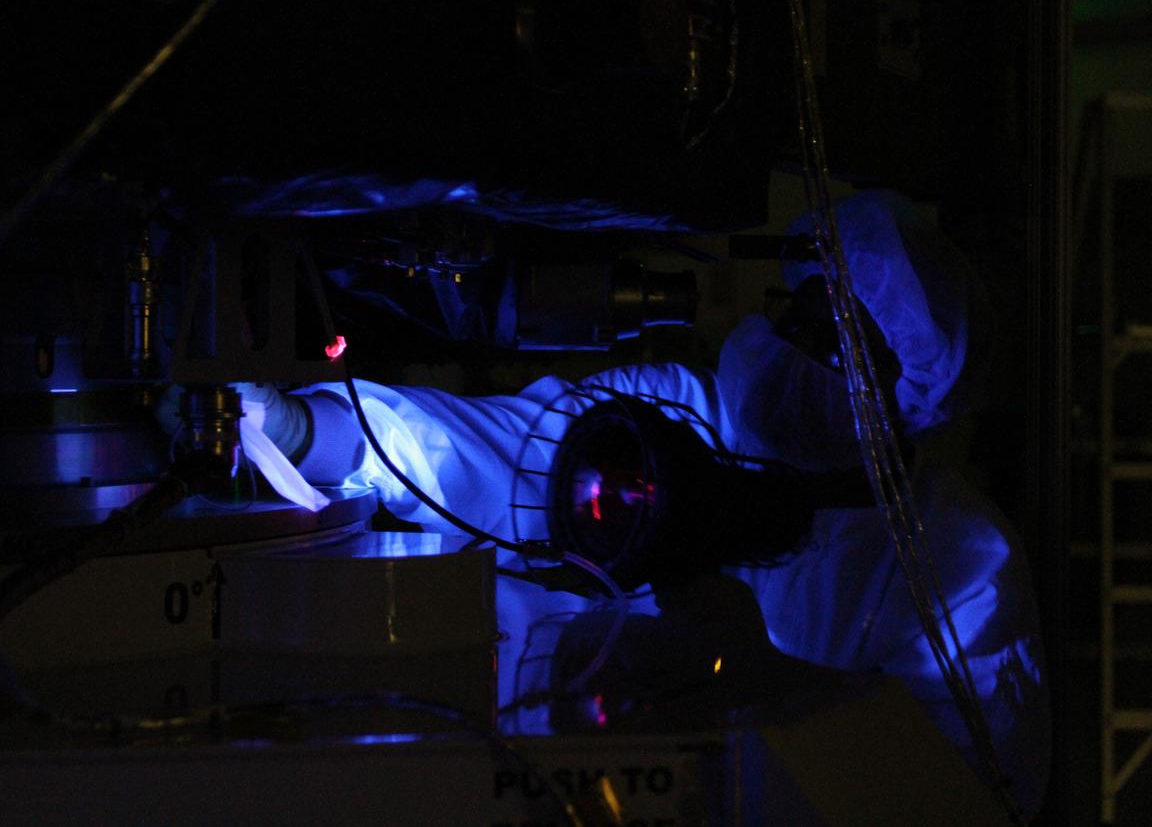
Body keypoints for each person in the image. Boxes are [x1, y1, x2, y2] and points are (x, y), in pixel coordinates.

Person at [218, 190, 1049, 817]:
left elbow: (957, 793)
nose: (794, 344)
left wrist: (757, 677)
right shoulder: (673, 419)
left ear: (904, 394)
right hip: (508, 762)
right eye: (800, 311)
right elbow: (474, 454)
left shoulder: (962, 567)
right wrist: (306, 430)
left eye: (835, 340)